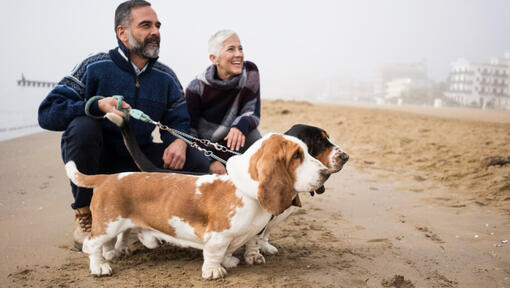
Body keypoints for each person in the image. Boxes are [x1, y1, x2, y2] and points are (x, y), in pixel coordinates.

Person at [38, 0, 210, 250]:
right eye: (145, 25)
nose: (155, 32)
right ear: (122, 32)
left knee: (196, 161)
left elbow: (179, 120)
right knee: (83, 127)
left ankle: (179, 221)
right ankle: (85, 214)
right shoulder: (94, 66)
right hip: (97, 161)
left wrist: (179, 143)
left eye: (157, 26)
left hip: (137, 160)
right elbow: (48, 112)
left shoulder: (166, 77)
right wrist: (95, 106)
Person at [185, 30, 262, 174]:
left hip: (235, 142)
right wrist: (210, 160)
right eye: (231, 49)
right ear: (214, 59)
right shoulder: (196, 88)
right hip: (205, 149)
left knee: (253, 135)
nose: (238, 54)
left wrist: (240, 125)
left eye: (240, 48)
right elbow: (190, 132)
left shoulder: (250, 71)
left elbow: (251, 111)